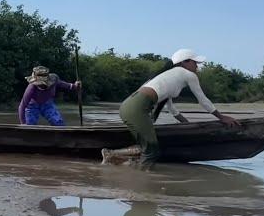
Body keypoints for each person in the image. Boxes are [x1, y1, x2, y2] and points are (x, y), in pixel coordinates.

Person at [102, 48, 240, 168]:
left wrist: (187, 125)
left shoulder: (167, 76)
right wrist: (222, 118)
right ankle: (142, 182)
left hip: (130, 106)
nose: (197, 66)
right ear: (184, 62)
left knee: (147, 146)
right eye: (195, 62)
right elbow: (203, 100)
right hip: (137, 108)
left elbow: (172, 109)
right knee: (151, 151)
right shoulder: (188, 74)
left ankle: (113, 155)